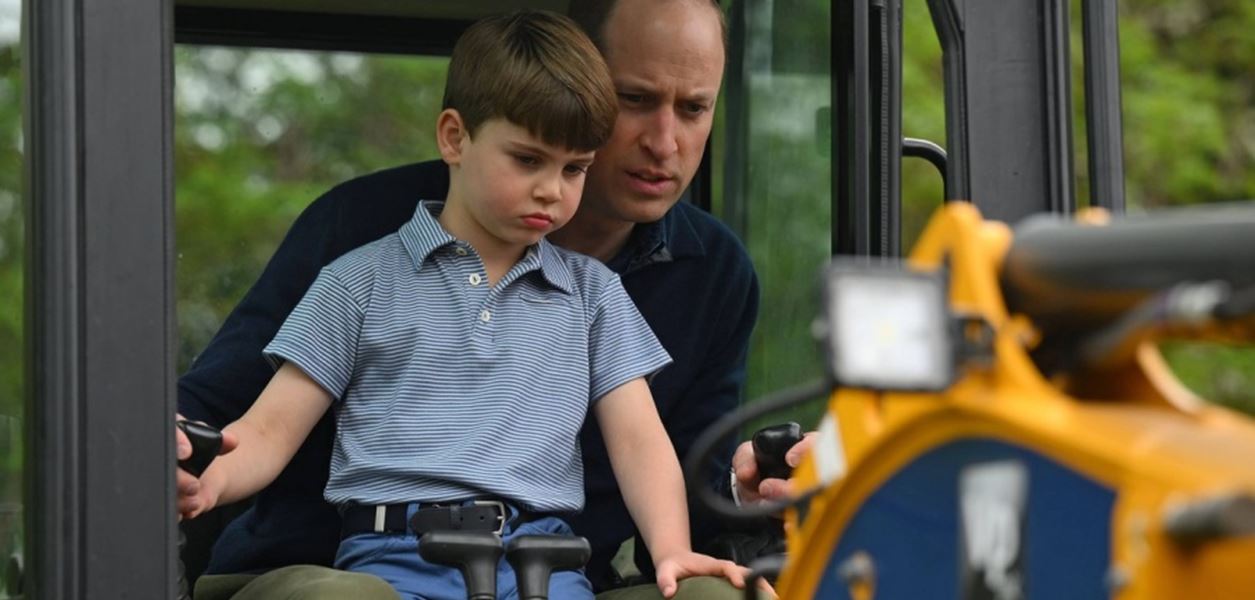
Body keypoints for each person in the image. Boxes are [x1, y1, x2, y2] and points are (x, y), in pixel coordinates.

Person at [178, 1, 793, 598]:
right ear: (455, 138)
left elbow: (644, 443)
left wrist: (677, 546)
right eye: (528, 160)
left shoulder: (601, 294)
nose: (550, 190)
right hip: (382, 561)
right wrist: (204, 476)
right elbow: (263, 425)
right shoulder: (357, 268)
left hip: (547, 567)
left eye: (574, 169)